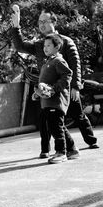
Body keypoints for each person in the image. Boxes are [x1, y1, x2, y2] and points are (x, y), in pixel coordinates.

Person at [9, 5, 99, 155]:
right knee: (49, 120)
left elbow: (75, 65)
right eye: (39, 22)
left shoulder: (66, 41)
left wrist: (76, 86)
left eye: (45, 21)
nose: (42, 25)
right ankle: (53, 150)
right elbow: (20, 46)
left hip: (65, 87)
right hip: (48, 92)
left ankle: (91, 141)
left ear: (54, 21)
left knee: (78, 115)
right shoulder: (39, 45)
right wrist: (16, 26)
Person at [32, 34, 79, 164]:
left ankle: (61, 153)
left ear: (57, 47)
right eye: (44, 46)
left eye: (48, 45)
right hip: (47, 102)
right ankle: (72, 150)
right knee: (58, 127)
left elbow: (68, 74)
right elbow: (44, 83)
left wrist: (54, 89)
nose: (45, 48)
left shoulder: (58, 61)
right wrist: (38, 93)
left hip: (56, 101)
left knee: (56, 128)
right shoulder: (47, 62)